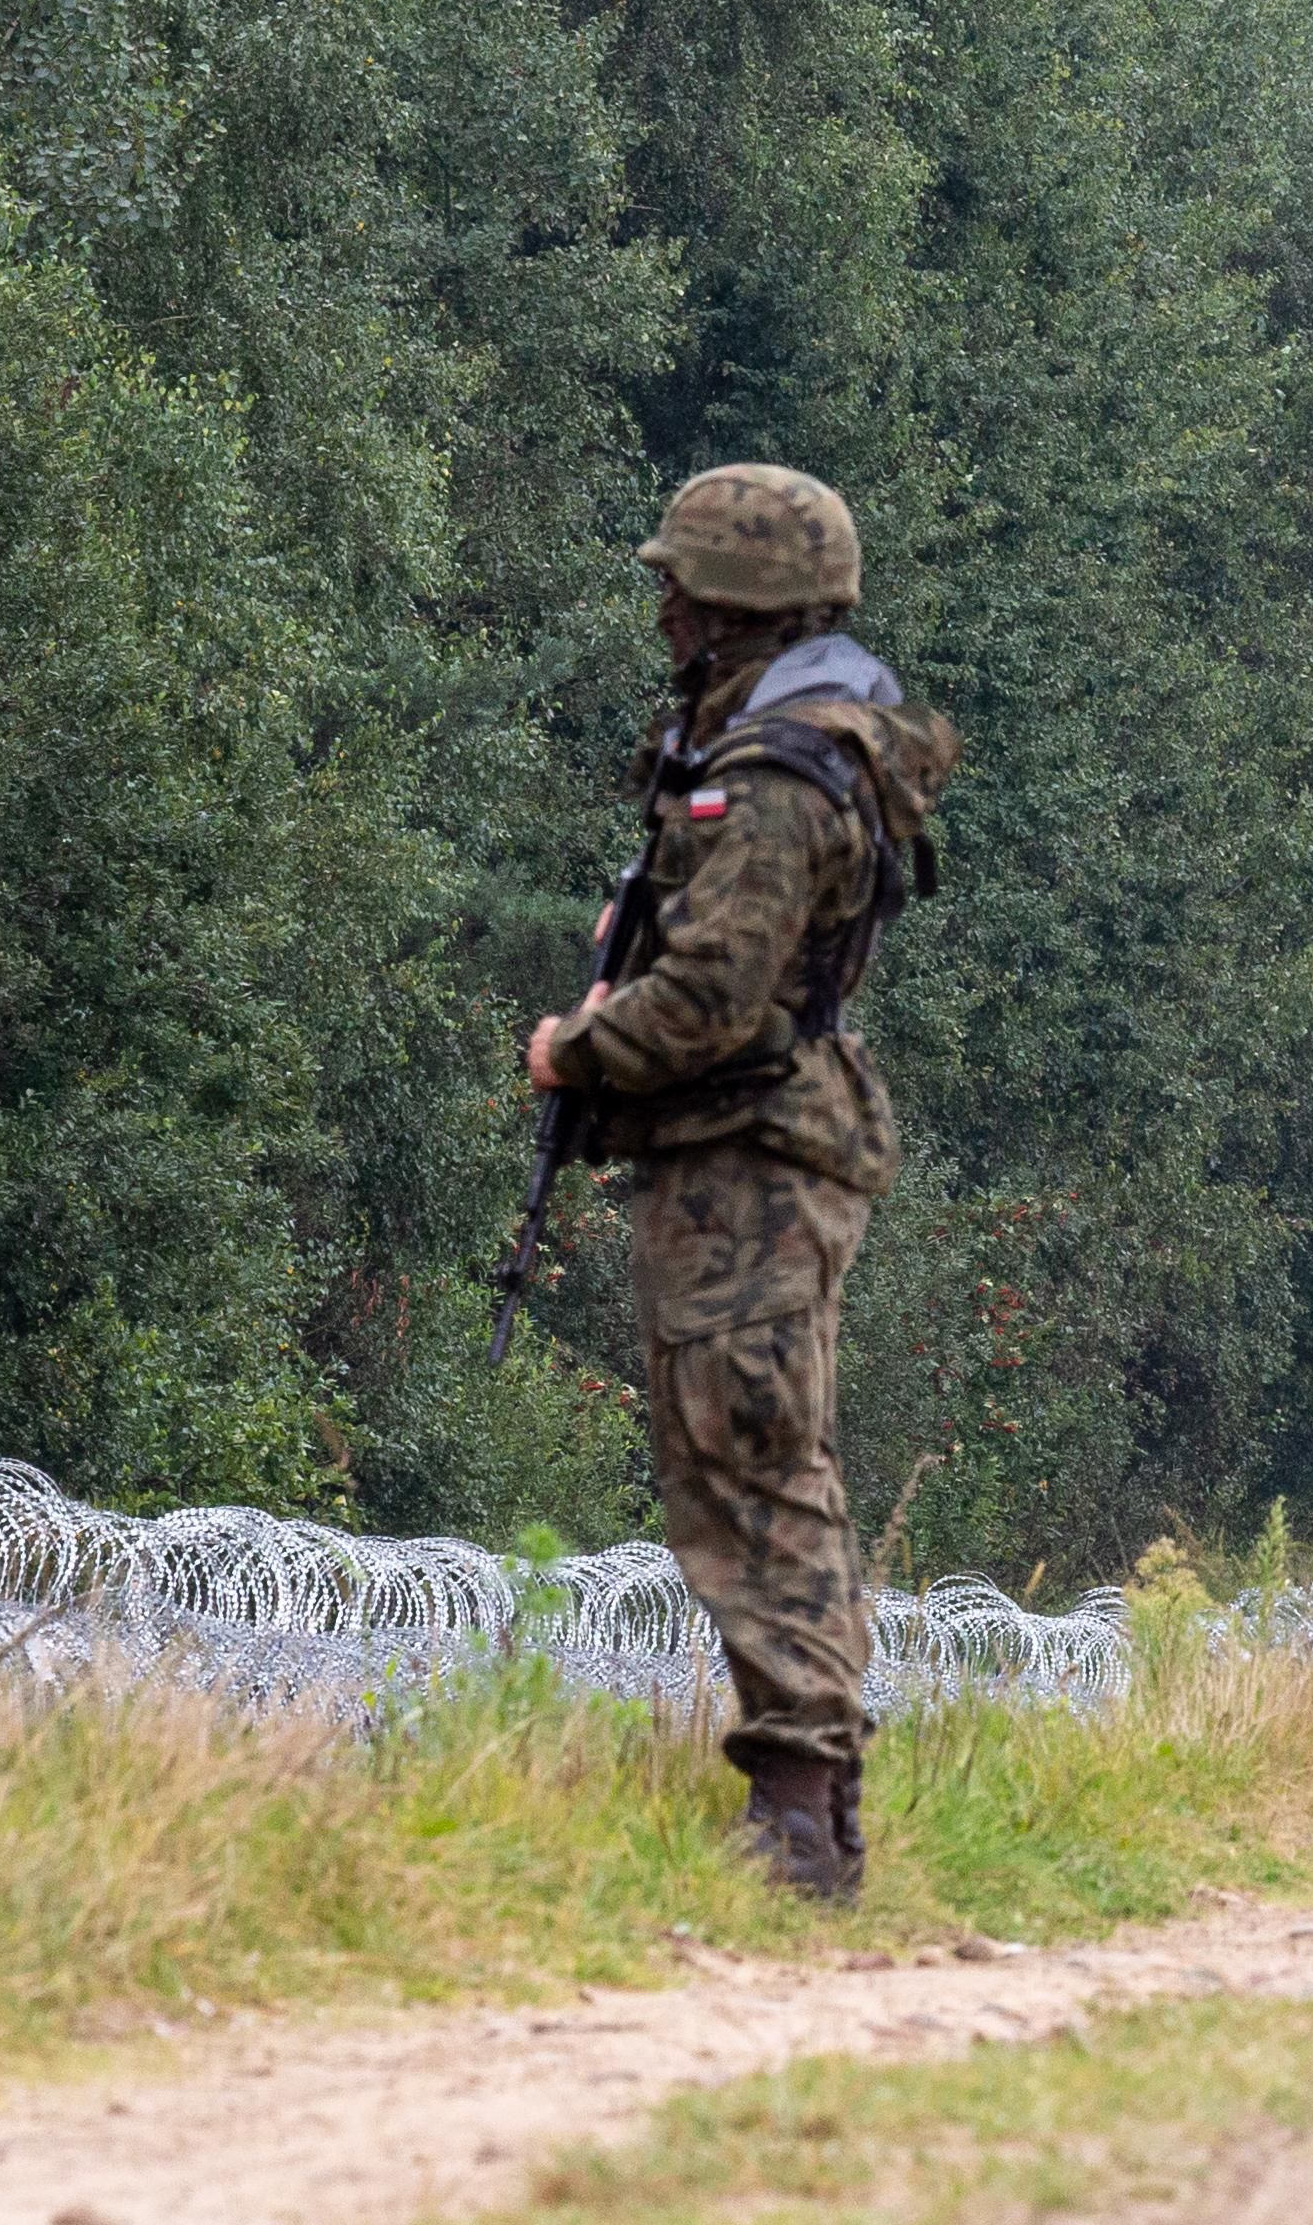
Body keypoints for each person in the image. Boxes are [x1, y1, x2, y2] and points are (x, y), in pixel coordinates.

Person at [527, 464, 957, 1901]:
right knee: (747, 1463)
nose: (661, 612)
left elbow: (714, 995)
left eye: (678, 589)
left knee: (758, 1465)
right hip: (752, 1147)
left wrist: (578, 1050)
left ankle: (799, 1808)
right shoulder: (784, 742)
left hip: (752, 1152)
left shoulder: (776, 772)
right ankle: (807, 1810)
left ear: (731, 604)